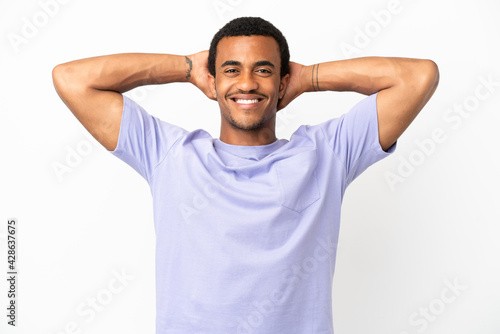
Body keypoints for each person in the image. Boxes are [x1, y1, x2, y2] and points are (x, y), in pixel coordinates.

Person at [52, 16, 439, 334]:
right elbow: (72, 79)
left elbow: (418, 77)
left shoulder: (328, 153)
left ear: (282, 81)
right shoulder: (169, 155)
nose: (247, 83)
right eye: (231, 70)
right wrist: (186, 67)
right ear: (214, 80)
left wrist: (307, 78)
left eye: (264, 70)